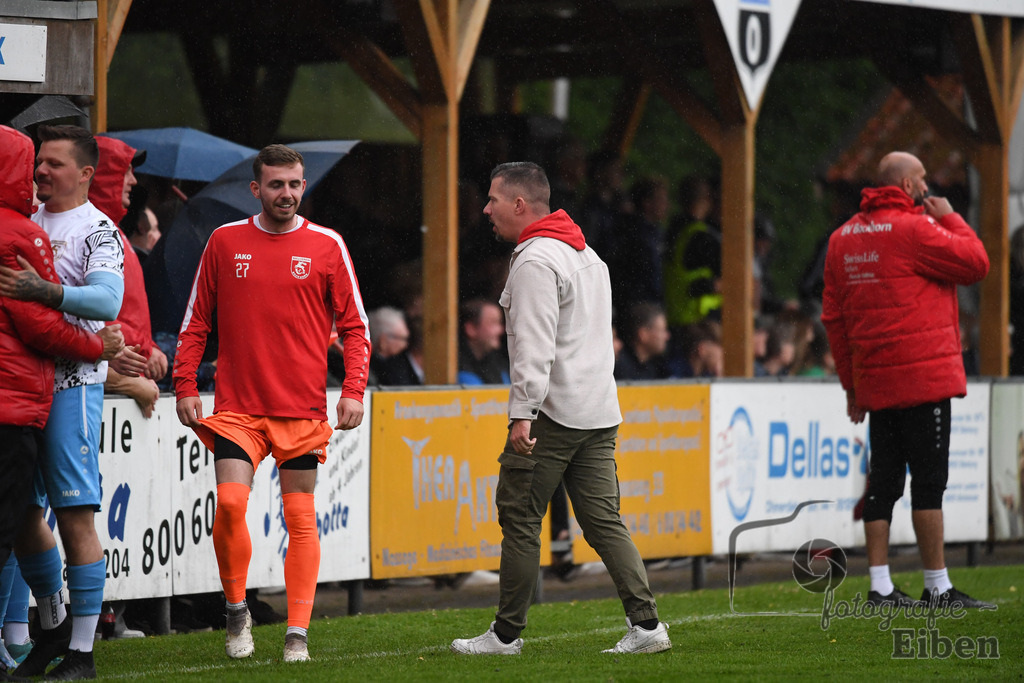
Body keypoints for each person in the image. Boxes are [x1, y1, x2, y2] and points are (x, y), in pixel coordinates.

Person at [451, 161, 670, 655]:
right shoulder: (587, 253)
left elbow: (534, 346)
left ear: (519, 205)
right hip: (599, 410)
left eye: (492, 199)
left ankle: (505, 635)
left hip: (552, 413)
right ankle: (648, 626)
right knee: (604, 522)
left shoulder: (534, 260)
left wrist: (522, 412)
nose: (485, 209)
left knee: (520, 518)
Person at [174, 144, 371, 663]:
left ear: (304, 186)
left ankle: (296, 634)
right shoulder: (224, 241)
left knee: (300, 517)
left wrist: (353, 391)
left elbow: (356, 328)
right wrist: (185, 384)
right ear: (256, 189)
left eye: (294, 184)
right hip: (238, 407)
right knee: (230, 504)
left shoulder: (328, 245)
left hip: (300, 409)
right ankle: (236, 610)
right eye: (276, 184)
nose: (287, 193)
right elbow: (196, 321)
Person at [0, 124, 143, 681]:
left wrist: (46, 291)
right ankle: (46, 627)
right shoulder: (25, 218)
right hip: (25, 387)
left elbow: (108, 301)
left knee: (73, 513)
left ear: (86, 174)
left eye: (54, 163)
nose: (41, 171)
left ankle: (82, 651)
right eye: (39, 161)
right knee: (18, 514)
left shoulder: (97, 230)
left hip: (72, 384)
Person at [822, 151, 992, 609]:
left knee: (883, 484)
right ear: (906, 185)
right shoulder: (916, 229)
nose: (927, 186)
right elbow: (977, 263)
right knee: (929, 483)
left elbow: (834, 319)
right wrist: (951, 218)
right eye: (922, 178)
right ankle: (937, 586)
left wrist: (852, 387)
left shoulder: (842, 239)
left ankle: (880, 587)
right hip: (923, 380)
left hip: (877, 385)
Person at [90, 135, 167, 417]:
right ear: (101, 176)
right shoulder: (92, 232)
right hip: (100, 383)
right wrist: (142, 351)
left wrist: (150, 347)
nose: (133, 181)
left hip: (121, 377)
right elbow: (88, 311)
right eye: (125, 171)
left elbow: (123, 310)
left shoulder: (114, 232)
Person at [614, 302, 672, 381]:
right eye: (662, 331)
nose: (667, 336)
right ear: (643, 334)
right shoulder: (618, 367)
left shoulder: (656, 367)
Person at [457, 298, 510, 385]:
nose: (501, 330)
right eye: (493, 323)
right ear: (471, 329)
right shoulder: (455, 367)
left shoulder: (497, 362)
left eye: (499, 323)